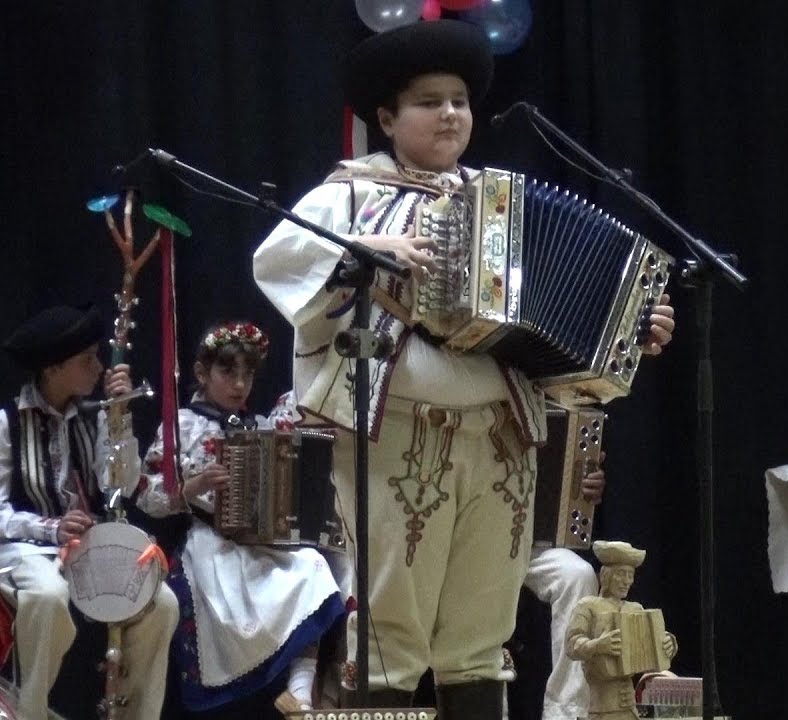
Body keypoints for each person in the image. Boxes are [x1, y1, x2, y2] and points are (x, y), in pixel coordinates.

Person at [252, 18, 676, 715]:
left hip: (502, 438)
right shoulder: (349, 196)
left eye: (459, 100)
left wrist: (634, 327)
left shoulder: (499, 198)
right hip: (396, 432)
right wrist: (367, 247)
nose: (449, 113)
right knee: (389, 627)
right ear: (387, 117)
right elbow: (279, 263)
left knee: (482, 629)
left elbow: (566, 324)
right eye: (428, 100)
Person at [135, 321, 344, 712]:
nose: (239, 384)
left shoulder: (259, 426)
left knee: (314, 566)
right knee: (226, 604)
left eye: (247, 375)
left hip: (260, 546)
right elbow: (145, 493)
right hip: (211, 545)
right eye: (227, 373)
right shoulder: (183, 424)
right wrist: (190, 487)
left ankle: (299, 694)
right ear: (202, 373)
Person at [0, 304, 180, 720]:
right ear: (52, 369)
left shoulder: (92, 417)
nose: (100, 367)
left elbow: (120, 484)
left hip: (87, 548)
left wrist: (120, 416)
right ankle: (28, 711)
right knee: (48, 596)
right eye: (88, 360)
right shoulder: (9, 423)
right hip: (25, 550)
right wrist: (50, 528)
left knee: (162, 602)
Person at [523, 462, 606, 720]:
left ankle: (566, 712)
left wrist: (587, 485)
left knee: (578, 575)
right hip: (479, 542)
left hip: (535, 544)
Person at [564, 541, 677, 720]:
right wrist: (597, 646)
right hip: (601, 708)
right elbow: (571, 645)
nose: (627, 581)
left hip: (630, 706)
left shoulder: (636, 609)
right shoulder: (587, 606)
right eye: (621, 574)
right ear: (606, 576)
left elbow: (654, 646)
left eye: (630, 575)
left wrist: (668, 644)